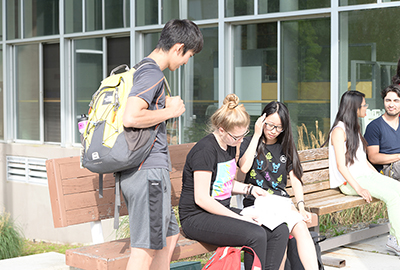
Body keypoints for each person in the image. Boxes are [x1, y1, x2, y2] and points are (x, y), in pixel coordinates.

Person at [121, 19, 203, 270]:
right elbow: (131, 117)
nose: (187, 61)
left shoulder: (142, 70)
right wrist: (171, 112)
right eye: (188, 55)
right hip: (148, 175)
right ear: (178, 48)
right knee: (144, 251)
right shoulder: (152, 73)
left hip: (149, 173)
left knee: (168, 237)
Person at [178, 94, 290, 270]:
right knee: (256, 234)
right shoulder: (205, 151)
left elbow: (223, 183)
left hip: (219, 211)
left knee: (279, 229)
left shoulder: (229, 145)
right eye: (236, 137)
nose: (240, 141)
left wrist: (249, 189)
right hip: (197, 217)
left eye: (243, 135)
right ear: (221, 129)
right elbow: (201, 198)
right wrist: (240, 216)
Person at [238, 101, 319, 270]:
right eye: (270, 125)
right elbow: (244, 167)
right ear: (262, 120)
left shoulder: (285, 145)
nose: (273, 131)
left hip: (281, 202)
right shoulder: (248, 142)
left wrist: (301, 206)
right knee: (280, 232)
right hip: (257, 202)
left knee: (302, 229)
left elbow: (295, 178)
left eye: (279, 127)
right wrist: (256, 134)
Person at [327, 90, 400, 256]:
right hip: (350, 182)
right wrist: (359, 189)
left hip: (366, 176)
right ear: (354, 108)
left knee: (398, 188)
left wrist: (378, 177)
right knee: (393, 197)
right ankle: (397, 241)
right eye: (363, 105)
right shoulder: (339, 131)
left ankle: (394, 237)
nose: (366, 107)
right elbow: (341, 165)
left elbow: (362, 160)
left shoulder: (354, 127)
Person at [364, 84, 400, 174]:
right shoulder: (374, 126)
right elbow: (373, 157)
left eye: (396, 101)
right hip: (386, 169)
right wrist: (399, 156)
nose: (391, 105)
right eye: (388, 100)